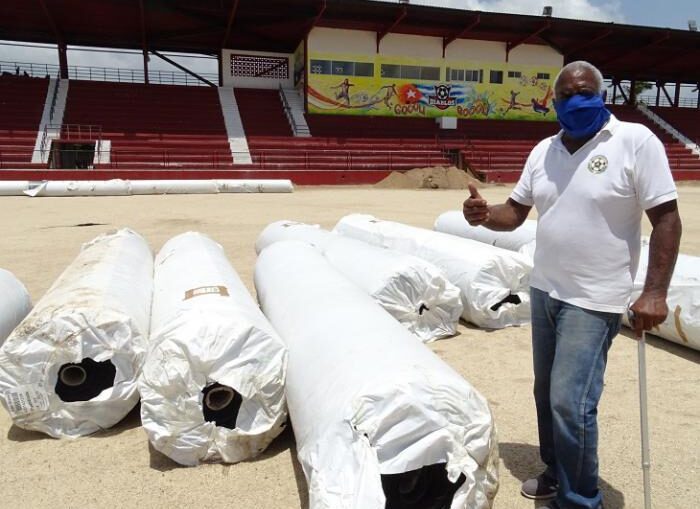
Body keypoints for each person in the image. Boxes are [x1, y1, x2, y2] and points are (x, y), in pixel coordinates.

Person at [463, 60, 681, 509]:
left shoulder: (635, 142)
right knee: (546, 393)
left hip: (595, 298)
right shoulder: (543, 151)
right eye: (568, 95)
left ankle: (581, 499)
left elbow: (667, 218)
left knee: (570, 400)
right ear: (555, 102)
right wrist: (486, 216)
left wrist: (655, 291)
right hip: (546, 290)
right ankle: (556, 470)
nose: (578, 101)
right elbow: (515, 212)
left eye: (587, 92)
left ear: (601, 95)